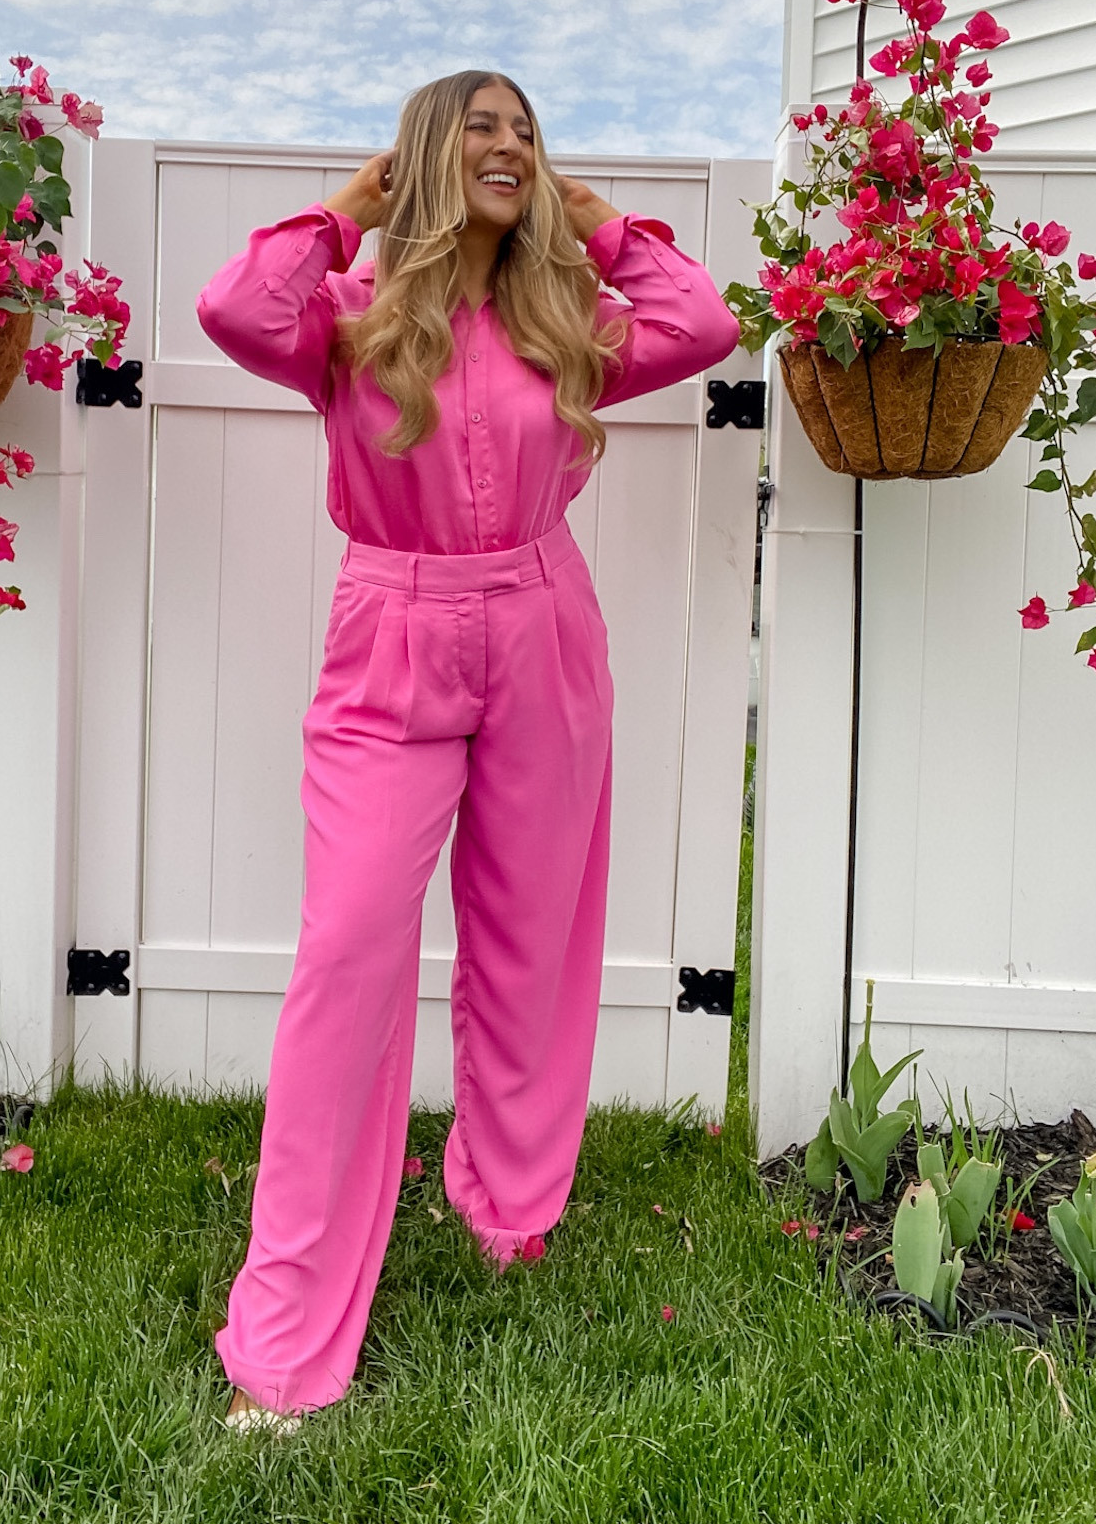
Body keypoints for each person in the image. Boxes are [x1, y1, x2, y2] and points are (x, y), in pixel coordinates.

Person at [195, 69, 740, 1431]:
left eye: (527, 132)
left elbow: (707, 322)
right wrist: (350, 206)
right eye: (482, 128)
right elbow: (232, 308)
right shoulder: (347, 316)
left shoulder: (570, 320)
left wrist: (598, 222)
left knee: (532, 937)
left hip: (545, 624)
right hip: (393, 628)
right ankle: (286, 1332)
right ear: (428, 157)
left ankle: (510, 1212)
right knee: (348, 953)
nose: (510, 146)